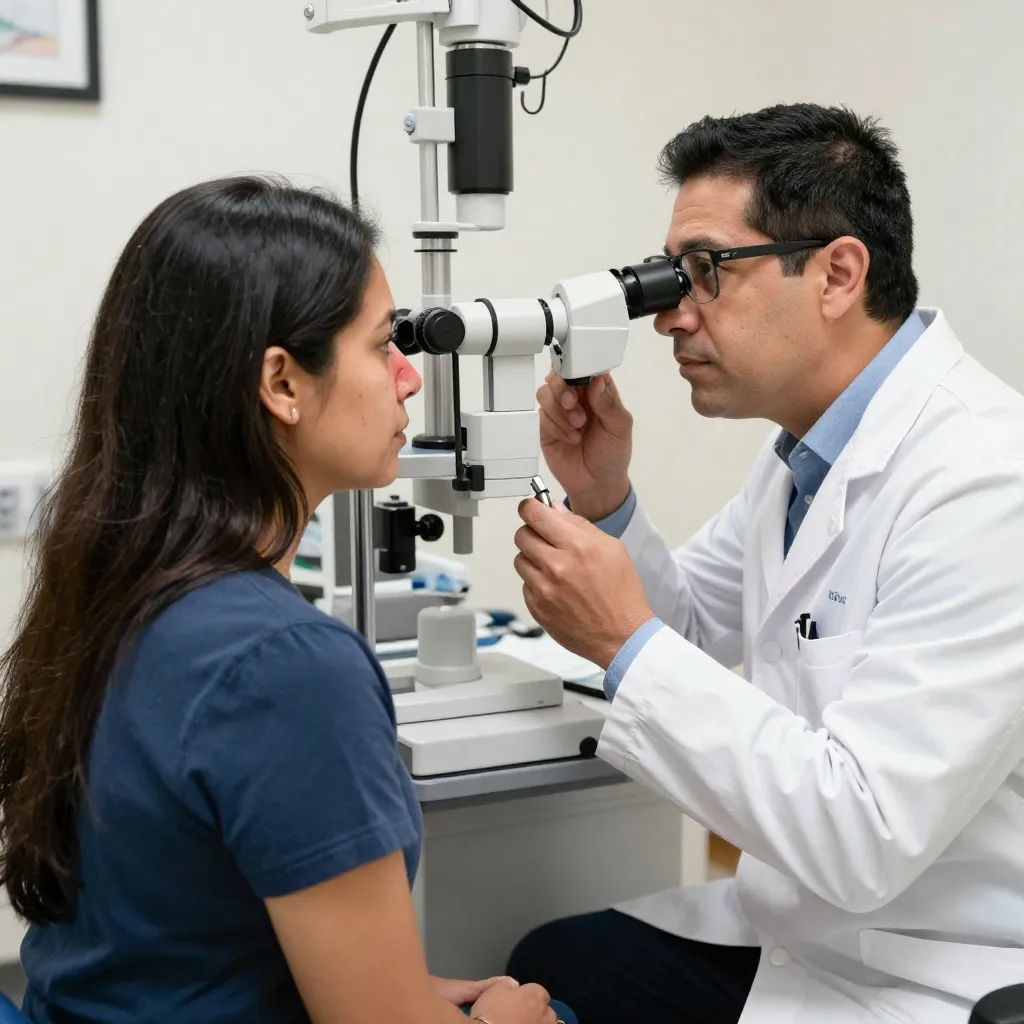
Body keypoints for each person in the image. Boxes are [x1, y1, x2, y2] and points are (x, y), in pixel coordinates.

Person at [0, 177, 565, 1024]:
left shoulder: (113, 588)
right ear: (282, 383)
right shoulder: (286, 666)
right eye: (382, 346)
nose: (410, 378)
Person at [507, 103, 1024, 1024]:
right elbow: (696, 629)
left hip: (933, 969)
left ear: (837, 273)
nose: (671, 314)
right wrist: (606, 499)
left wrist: (624, 640)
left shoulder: (987, 482)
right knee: (548, 961)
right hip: (809, 927)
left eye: (704, 271)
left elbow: (865, 833)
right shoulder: (805, 452)